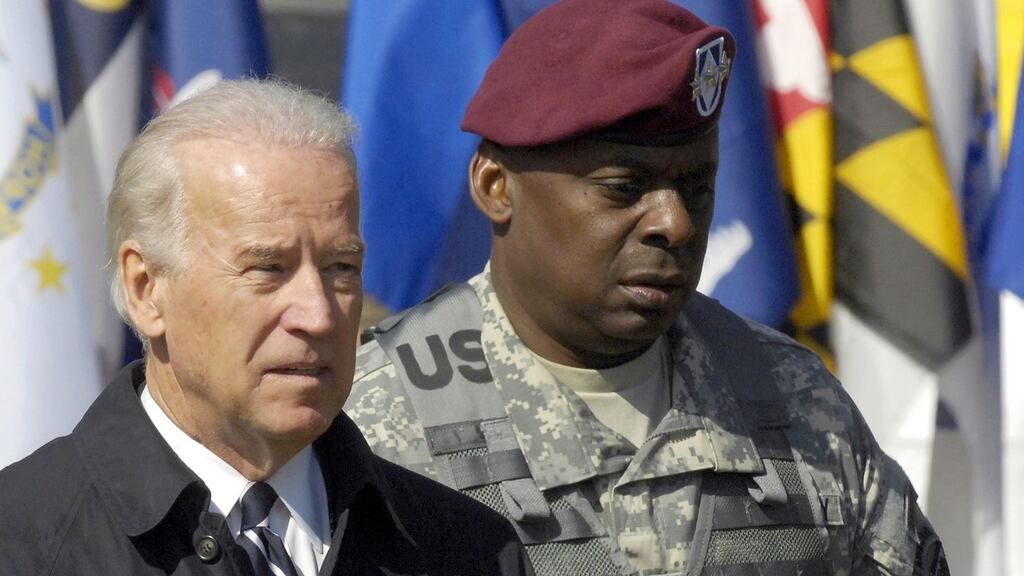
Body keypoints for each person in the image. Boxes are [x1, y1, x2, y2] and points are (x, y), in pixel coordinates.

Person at [344, 1, 949, 575]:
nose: (675, 223)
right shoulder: (368, 423)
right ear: (498, 186)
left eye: (697, 188)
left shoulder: (797, 402)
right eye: (623, 187)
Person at [0, 80, 532, 576]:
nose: (319, 315)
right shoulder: (23, 543)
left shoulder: (472, 550)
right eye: (267, 269)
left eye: (340, 268)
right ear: (147, 289)